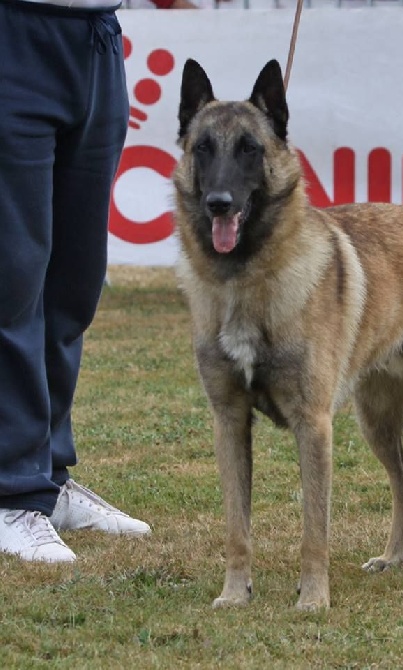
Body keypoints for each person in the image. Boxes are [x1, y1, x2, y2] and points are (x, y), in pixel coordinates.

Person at [0, 0, 151, 564]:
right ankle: (10, 490)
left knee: (75, 282)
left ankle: (48, 475)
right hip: (14, 30)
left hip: (96, 38)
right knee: (12, 279)